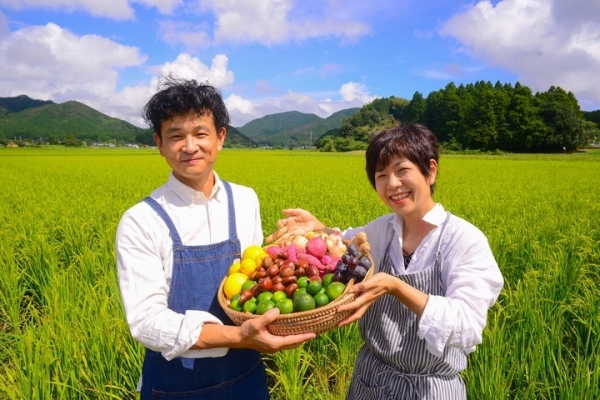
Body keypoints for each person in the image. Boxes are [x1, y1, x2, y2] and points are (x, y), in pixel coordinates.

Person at [267, 123, 504, 399]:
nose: (392, 184)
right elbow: (346, 241)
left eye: (402, 170)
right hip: (370, 381)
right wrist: (320, 228)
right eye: (382, 175)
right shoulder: (381, 230)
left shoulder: (463, 240)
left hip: (431, 390)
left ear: (431, 170)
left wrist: (396, 287)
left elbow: (467, 327)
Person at [116, 77, 315, 399]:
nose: (190, 146)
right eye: (176, 136)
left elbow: (252, 278)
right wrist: (237, 337)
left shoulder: (245, 199)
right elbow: (146, 322)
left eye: (200, 133)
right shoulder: (141, 220)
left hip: (246, 376)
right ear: (159, 143)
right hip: (175, 385)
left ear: (220, 137)